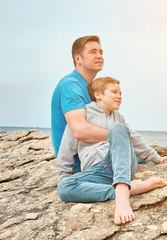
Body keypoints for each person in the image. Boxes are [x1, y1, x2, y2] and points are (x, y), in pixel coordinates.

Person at [56, 77, 167, 225]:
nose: (119, 96)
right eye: (114, 92)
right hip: (98, 171)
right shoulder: (83, 115)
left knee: (118, 129)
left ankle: (122, 198)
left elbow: (135, 138)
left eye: (121, 93)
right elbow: (67, 147)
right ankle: (128, 189)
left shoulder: (118, 118)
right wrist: (64, 175)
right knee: (64, 187)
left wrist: (155, 157)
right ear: (98, 95)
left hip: (123, 166)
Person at [51, 35, 107, 174]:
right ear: (78, 59)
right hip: (79, 164)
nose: (99, 56)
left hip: (95, 153)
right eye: (93, 52)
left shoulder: (90, 87)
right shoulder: (71, 86)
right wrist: (118, 134)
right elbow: (79, 131)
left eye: (101, 52)